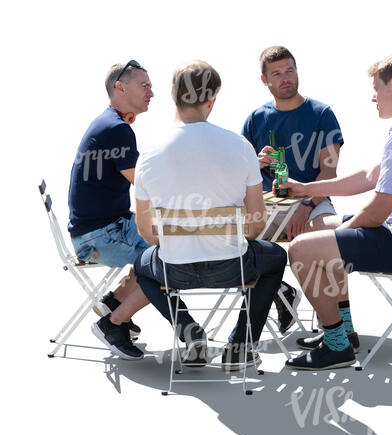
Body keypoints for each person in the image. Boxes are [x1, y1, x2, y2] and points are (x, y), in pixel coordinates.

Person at [280, 54, 392, 370]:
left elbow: (377, 212)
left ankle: (336, 347)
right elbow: (368, 177)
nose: (372, 96)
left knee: (300, 249)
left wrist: (336, 236)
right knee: (318, 230)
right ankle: (343, 330)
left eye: (376, 88)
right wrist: (307, 189)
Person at [131, 60, 287, 371]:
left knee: (141, 266)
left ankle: (191, 333)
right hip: (233, 267)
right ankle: (241, 346)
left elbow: (145, 231)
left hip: (174, 270)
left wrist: (177, 245)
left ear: (174, 97)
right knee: (276, 259)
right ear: (211, 98)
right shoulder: (240, 147)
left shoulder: (148, 154)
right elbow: (256, 223)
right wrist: (235, 241)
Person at [241, 45, 344, 333]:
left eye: (290, 70)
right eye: (277, 73)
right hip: (268, 205)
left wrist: (307, 205)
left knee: (328, 238)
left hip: (313, 201)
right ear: (265, 80)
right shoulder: (254, 119)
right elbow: (237, 174)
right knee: (231, 242)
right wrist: (255, 163)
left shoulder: (322, 113)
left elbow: (329, 172)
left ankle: (338, 328)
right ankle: (280, 292)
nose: (286, 78)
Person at [67, 60, 154, 360]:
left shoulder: (109, 124)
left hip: (99, 228)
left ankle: (114, 303)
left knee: (159, 241)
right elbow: (145, 189)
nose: (151, 93)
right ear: (120, 87)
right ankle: (112, 324)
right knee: (169, 258)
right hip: (100, 236)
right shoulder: (117, 129)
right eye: (145, 86)